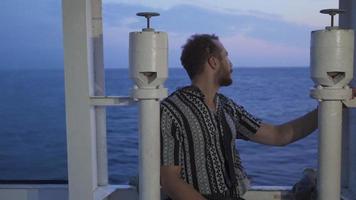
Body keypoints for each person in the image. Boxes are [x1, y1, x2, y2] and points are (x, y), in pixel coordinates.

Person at [159, 34, 354, 200]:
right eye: (226, 57)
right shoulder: (171, 110)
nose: (231, 63)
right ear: (213, 62)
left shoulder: (226, 107)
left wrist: (330, 107)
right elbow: (170, 181)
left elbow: (278, 135)